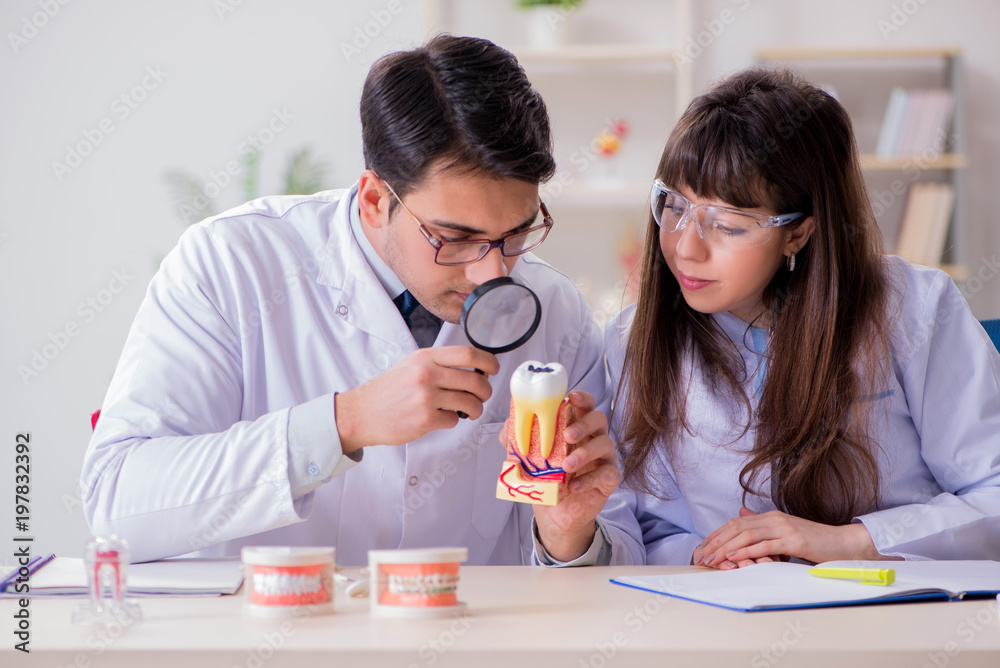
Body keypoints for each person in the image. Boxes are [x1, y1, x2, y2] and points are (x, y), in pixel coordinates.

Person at [83, 35, 641, 566]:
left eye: (515, 235)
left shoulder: (555, 310)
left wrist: (568, 535)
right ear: (376, 200)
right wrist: (344, 422)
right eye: (456, 238)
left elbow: (615, 554)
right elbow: (118, 502)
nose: (491, 273)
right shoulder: (230, 264)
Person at [606, 67, 1000, 567]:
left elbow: (993, 493)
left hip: (898, 616)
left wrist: (853, 542)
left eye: (727, 226)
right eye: (675, 207)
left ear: (798, 233)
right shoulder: (631, 339)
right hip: (721, 619)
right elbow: (644, 530)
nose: (684, 248)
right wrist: (710, 557)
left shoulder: (915, 307)